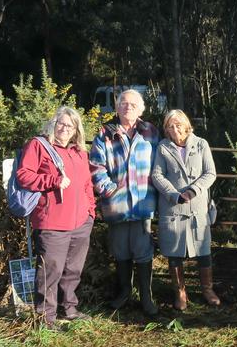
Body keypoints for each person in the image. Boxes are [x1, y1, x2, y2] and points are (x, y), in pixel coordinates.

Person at [16, 106, 96, 328]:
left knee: (73, 270)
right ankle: (45, 318)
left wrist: (91, 211)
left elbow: (87, 184)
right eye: (61, 123)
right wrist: (52, 180)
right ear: (53, 124)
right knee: (50, 271)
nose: (64, 128)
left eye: (70, 125)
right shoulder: (39, 145)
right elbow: (24, 175)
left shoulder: (80, 152)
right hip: (52, 221)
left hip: (81, 222)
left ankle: (69, 308)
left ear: (76, 130)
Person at [89, 89, 159, 316]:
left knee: (143, 250)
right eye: (123, 103)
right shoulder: (104, 133)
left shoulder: (150, 131)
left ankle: (146, 296)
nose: (128, 106)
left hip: (143, 203)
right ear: (117, 107)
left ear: (141, 109)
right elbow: (96, 166)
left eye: (133, 104)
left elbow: (160, 162)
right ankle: (124, 292)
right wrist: (110, 190)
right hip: (116, 204)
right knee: (120, 250)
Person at [151, 110, 220, 310]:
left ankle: (207, 289)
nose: (174, 129)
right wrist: (173, 194)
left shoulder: (201, 144)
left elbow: (210, 173)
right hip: (173, 207)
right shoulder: (163, 147)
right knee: (174, 253)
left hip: (197, 206)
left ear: (186, 124)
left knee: (203, 251)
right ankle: (180, 292)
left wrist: (192, 191)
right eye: (170, 126)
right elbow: (157, 175)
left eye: (178, 124)